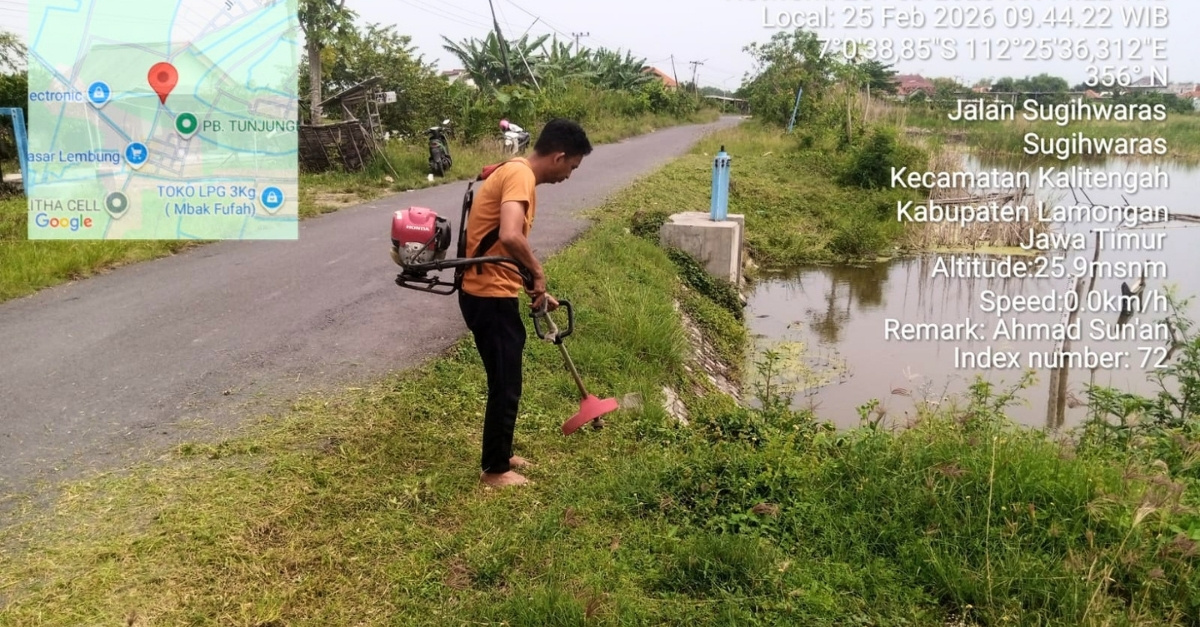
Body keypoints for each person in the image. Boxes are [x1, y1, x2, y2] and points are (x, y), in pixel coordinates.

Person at [459, 118, 593, 487]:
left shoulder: (516, 173)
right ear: (559, 157)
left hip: (491, 289)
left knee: (507, 377)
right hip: (487, 295)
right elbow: (510, 234)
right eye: (572, 167)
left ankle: (502, 453)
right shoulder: (520, 176)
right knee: (506, 382)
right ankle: (495, 471)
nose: (570, 175)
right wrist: (538, 271)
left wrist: (534, 287)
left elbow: (500, 245)